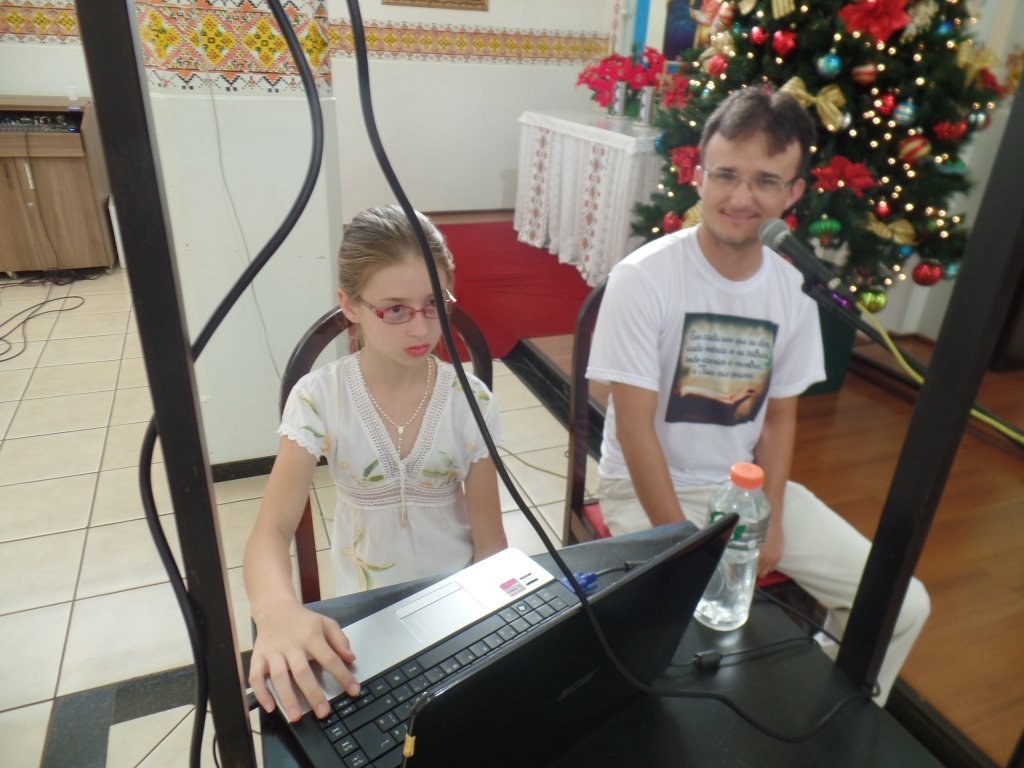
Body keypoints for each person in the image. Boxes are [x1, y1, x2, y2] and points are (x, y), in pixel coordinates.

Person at [587, 87, 929, 704]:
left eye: (766, 181)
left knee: (903, 605)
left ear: (792, 193)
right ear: (698, 175)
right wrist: (686, 547)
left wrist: (766, 514)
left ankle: (823, 708)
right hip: (647, 489)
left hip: (744, 488)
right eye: (726, 175)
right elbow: (633, 426)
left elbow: (777, 420)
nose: (741, 198)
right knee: (684, 649)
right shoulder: (644, 278)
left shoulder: (794, 289)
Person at [244, 205, 507, 723]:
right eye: (395, 310)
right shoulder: (320, 398)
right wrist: (276, 611)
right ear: (350, 305)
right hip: (365, 615)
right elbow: (270, 531)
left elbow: (491, 544)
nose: (422, 328)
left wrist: (490, 624)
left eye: (435, 304)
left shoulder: (470, 400)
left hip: (455, 604)